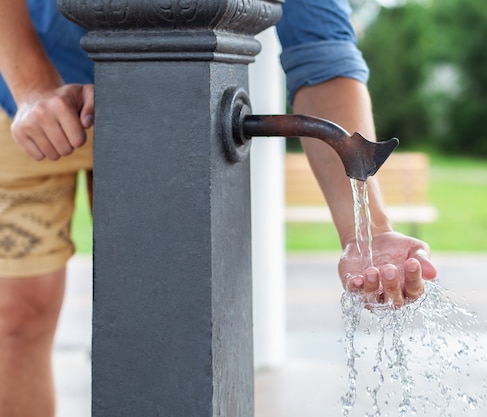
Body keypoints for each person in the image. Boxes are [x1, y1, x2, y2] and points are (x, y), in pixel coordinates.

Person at [0, 0, 437, 415]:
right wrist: (33, 88)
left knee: (160, 309)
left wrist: (369, 231)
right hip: (24, 85)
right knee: (17, 314)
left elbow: (323, 57)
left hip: (164, 99)